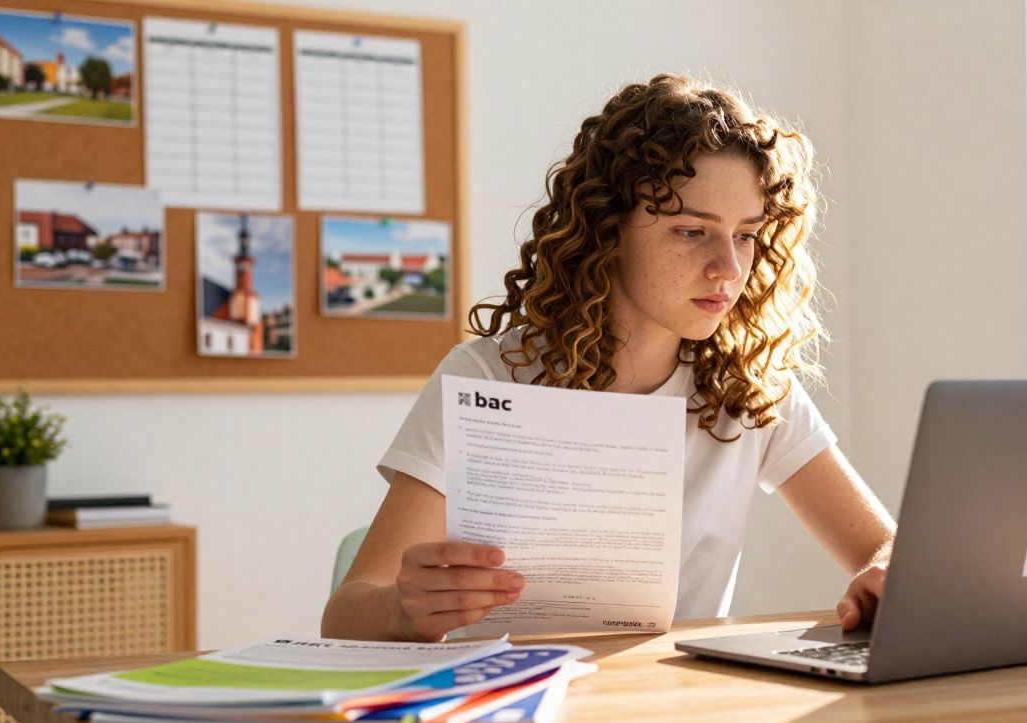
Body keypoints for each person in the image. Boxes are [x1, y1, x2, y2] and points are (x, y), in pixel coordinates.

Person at [321, 73, 896, 643]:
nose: (728, 268)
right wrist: (403, 611)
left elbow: (883, 545)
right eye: (692, 231)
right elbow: (347, 612)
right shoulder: (488, 377)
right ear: (608, 230)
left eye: (745, 235)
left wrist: (885, 569)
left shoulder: (749, 389)